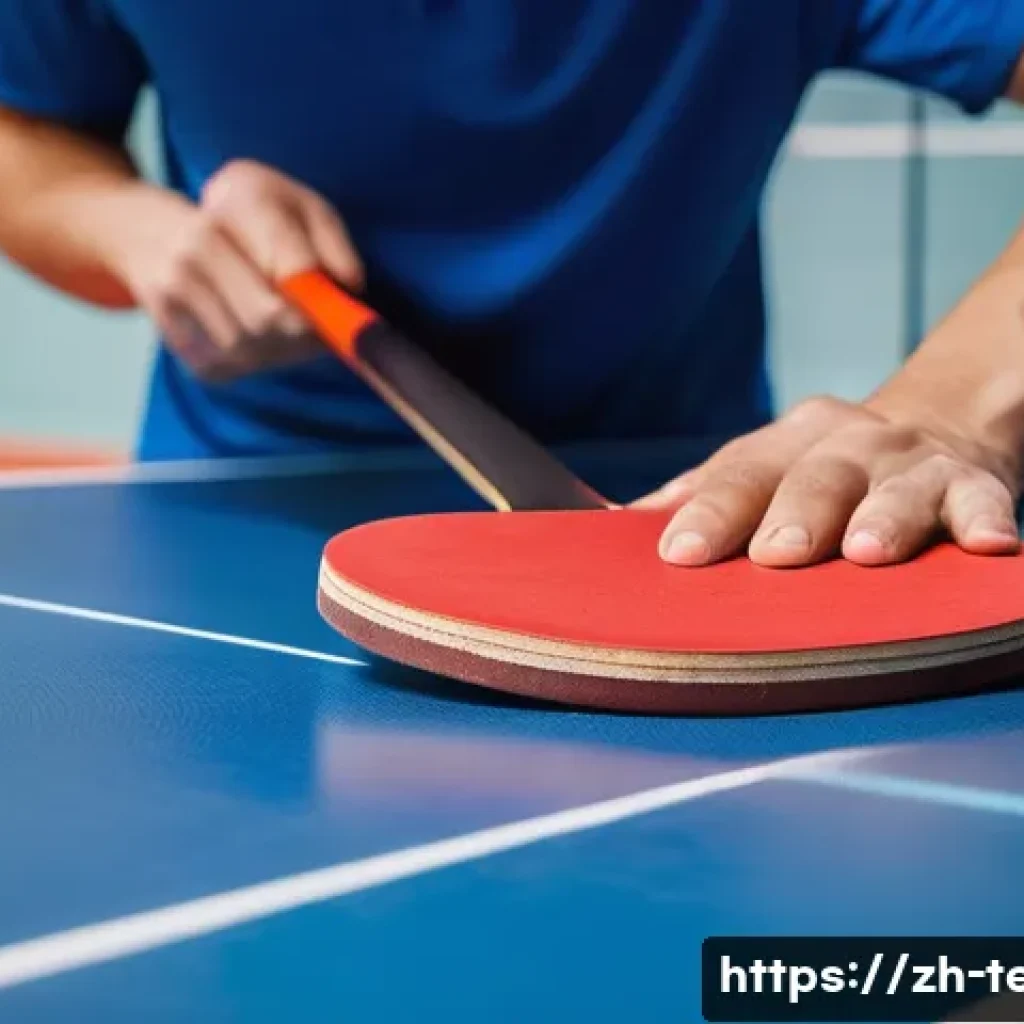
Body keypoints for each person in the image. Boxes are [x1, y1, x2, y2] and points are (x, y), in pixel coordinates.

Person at [1, 1, 1023, 572]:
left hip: (694, 528)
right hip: (242, 521)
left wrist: (950, 414)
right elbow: (24, 128)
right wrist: (130, 229)